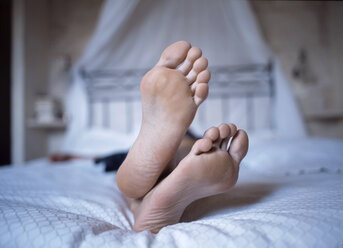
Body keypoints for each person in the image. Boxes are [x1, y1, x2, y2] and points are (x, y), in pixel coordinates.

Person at [115, 41, 249, 233]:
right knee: (195, 148)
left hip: (129, 156)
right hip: (189, 142)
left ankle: (139, 205)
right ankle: (182, 160)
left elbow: (94, 158)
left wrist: (72, 156)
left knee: (129, 180)